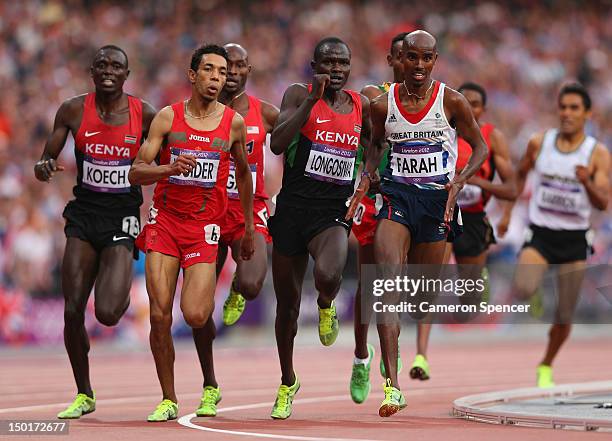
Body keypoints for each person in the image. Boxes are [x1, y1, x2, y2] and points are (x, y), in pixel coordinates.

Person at [348, 30, 488, 417]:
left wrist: (458, 182)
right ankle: (392, 387)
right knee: (385, 283)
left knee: (419, 300)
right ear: (399, 60)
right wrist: (368, 176)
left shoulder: (452, 101)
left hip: (437, 204)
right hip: (397, 200)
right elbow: (375, 145)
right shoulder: (382, 104)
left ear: (435, 60)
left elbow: (480, 147)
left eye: (427, 59)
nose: (419, 66)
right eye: (412, 58)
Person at [128, 44, 254, 422]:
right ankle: (168, 397)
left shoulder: (232, 122)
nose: (217, 78)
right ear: (192, 75)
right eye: (210, 71)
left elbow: (245, 173)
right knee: (160, 317)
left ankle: (209, 383)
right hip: (165, 223)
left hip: (204, 229)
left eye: (221, 72)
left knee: (196, 314)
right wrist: (169, 169)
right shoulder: (167, 118)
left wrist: (247, 226)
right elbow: (136, 171)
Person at [34, 45, 156, 419]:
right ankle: (84, 392)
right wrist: (44, 166)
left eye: (115, 65)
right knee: (72, 310)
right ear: (91, 71)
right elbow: (46, 158)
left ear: (126, 73)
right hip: (84, 216)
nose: (108, 70)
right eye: (101, 64)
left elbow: (165, 159)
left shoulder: (145, 114)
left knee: (106, 313)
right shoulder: (72, 110)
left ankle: (112, 273)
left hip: (121, 217)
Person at [268, 37, 371, 419]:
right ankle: (287, 381)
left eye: (343, 62)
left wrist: (368, 176)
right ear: (315, 66)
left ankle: (326, 304)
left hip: (331, 212)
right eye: (328, 63)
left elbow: (375, 146)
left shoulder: (361, 106)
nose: (336, 69)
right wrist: (311, 101)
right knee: (287, 309)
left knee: (329, 275)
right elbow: (277, 144)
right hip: (292, 211)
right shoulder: (298, 94)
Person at [191, 43, 279, 417]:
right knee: (199, 308)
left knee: (253, 282)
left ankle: (239, 291)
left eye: (241, 65)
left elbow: (304, 141)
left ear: (248, 70)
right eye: (227, 67)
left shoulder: (267, 113)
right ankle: (210, 384)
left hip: (250, 209)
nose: (233, 72)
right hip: (208, 210)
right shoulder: (196, 113)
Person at [411, 82, 517, 382]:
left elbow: (511, 189)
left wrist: (475, 183)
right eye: (464, 102)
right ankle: (421, 354)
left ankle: (476, 286)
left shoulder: (491, 137)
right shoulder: (439, 130)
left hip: (473, 220)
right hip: (443, 215)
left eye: (476, 104)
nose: (469, 108)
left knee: (470, 302)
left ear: (483, 110)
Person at [509, 82, 609, 388]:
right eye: (563, 107)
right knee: (523, 289)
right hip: (541, 233)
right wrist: (505, 213)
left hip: (575, 239)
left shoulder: (597, 153)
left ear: (587, 113)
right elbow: (520, 172)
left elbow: (603, 202)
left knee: (565, 316)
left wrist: (586, 182)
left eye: (574, 108)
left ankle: (546, 363)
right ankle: (537, 286)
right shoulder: (540, 142)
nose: (567, 113)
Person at [350, 32, 406, 405]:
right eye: (402, 57)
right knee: (372, 284)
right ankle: (361, 356)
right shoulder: (375, 94)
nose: (409, 64)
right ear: (391, 60)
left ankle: (390, 347)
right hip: (374, 198)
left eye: (417, 57)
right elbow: (374, 126)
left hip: (411, 198)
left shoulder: (435, 100)